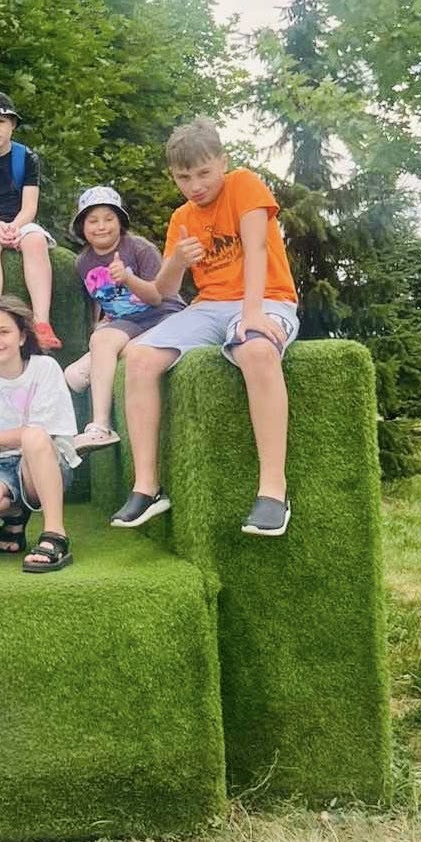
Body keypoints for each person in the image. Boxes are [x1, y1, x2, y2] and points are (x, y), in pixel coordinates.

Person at [111, 118, 300, 536]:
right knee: (138, 356)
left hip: (266, 296)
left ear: (222, 162)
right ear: (173, 176)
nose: (195, 186)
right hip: (209, 307)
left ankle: (273, 490)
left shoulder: (244, 185)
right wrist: (178, 260)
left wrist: (253, 313)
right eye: (184, 177)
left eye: (203, 173)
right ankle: (147, 487)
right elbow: (162, 292)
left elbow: (256, 249)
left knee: (256, 349)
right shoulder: (181, 217)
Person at [0, 296, 80, 572]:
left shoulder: (44, 369)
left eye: (3, 331)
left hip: (42, 463)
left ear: (21, 336)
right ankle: (16, 513)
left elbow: (43, 433)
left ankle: (55, 535)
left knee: (33, 436)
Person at [64, 185, 185, 451]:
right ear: (82, 226)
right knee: (73, 375)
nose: (101, 226)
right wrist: (102, 322)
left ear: (120, 221)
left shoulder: (140, 249)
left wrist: (128, 278)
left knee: (116, 350)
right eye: (93, 220)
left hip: (162, 316)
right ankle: (94, 428)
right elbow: (102, 298)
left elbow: (157, 297)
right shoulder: (83, 261)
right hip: (129, 323)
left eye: (109, 219)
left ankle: (101, 417)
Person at [0, 91, 61, 352]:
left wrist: (15, 226)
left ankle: (42, 322)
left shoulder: (27, 157)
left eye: (1, 122)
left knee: (35, 240)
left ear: (12, 124)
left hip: (19, 219)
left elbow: (30, 206)